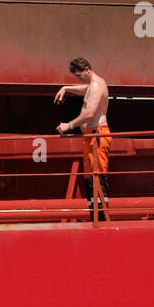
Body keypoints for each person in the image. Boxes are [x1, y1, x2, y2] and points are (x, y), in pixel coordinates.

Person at [55, 57, 111, 220]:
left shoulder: (96, 85)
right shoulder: (94, 85)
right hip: (91, 136)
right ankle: (96, 215)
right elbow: (85, 89)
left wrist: (69, 125)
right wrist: (67, 88)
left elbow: (89, 113)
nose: (79, 80)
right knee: (90, 179)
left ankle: (101, 218)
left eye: (80, 76)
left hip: (97, 135)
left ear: (87, 69)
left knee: (98, 177)